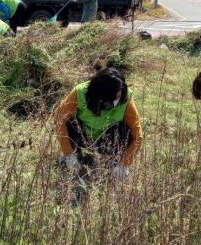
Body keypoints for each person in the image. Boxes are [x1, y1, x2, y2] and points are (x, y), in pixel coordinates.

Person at [54, 67, 144, 199]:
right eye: (112, 98)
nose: (115, 102)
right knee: (68, 121)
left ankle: (114, 163)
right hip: (83, 136)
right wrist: (69, 153)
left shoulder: (126, 97)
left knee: (125, 129)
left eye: (118, 98)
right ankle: (73, 156)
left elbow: (137, 134)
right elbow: (59, 120)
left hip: (107, 140)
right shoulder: (80, 92)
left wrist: (124, 164)